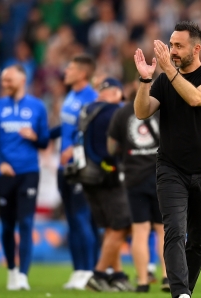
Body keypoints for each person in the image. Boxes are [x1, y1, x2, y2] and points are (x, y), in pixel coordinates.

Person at [133, 21, 201, 298]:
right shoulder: (163, 80)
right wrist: (146, 80)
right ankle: (180, 294)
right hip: (171, 168)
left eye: (178, 46)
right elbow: (142, 111)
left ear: (196, 48)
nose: (171, 51)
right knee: (173, 230)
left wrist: (168, 70)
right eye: (170, 45)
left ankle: (186, 291)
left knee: (197, 242)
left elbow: (197, 98)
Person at [0, 65, 49, 290]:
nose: (5, 83)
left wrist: (35, 137)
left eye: (9, 79)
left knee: (26, 222)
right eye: (3, 80)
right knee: (6, 225)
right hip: (3, 174)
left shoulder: (37, 106)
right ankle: (11, 269)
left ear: (22, 79)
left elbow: (44, 141)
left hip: (29, 172)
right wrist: (0, 162)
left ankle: (23, 275)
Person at [68, 77, 133, 292]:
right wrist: (116, 168)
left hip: (86, 176)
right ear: (115, 92)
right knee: (121, 226)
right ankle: (98, 274)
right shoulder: (113, 111)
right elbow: (112, 148)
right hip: (107, 177)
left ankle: (117, 275)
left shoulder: (87, 110)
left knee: (110, 228)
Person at [107, 80, 168, 293]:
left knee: (140, 231)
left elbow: (112, 146)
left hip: (134, 178)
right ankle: (167, 277)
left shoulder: (123, 113)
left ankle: (142, 282)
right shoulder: (164, 108)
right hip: (162, 175)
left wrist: (125, 152)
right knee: (164, 231)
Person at [54, 54, 100, 290]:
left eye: (70, 68)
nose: (66, 71)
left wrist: (73, 147)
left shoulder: (91, 98)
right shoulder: (70, 96)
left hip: (81, 168)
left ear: (83, 73)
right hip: (63, 166)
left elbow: (93, 131)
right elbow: (65, 127)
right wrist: (43, 138)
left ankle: (89, 271)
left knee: (83, 218)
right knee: (72, 220)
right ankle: (78, 270)